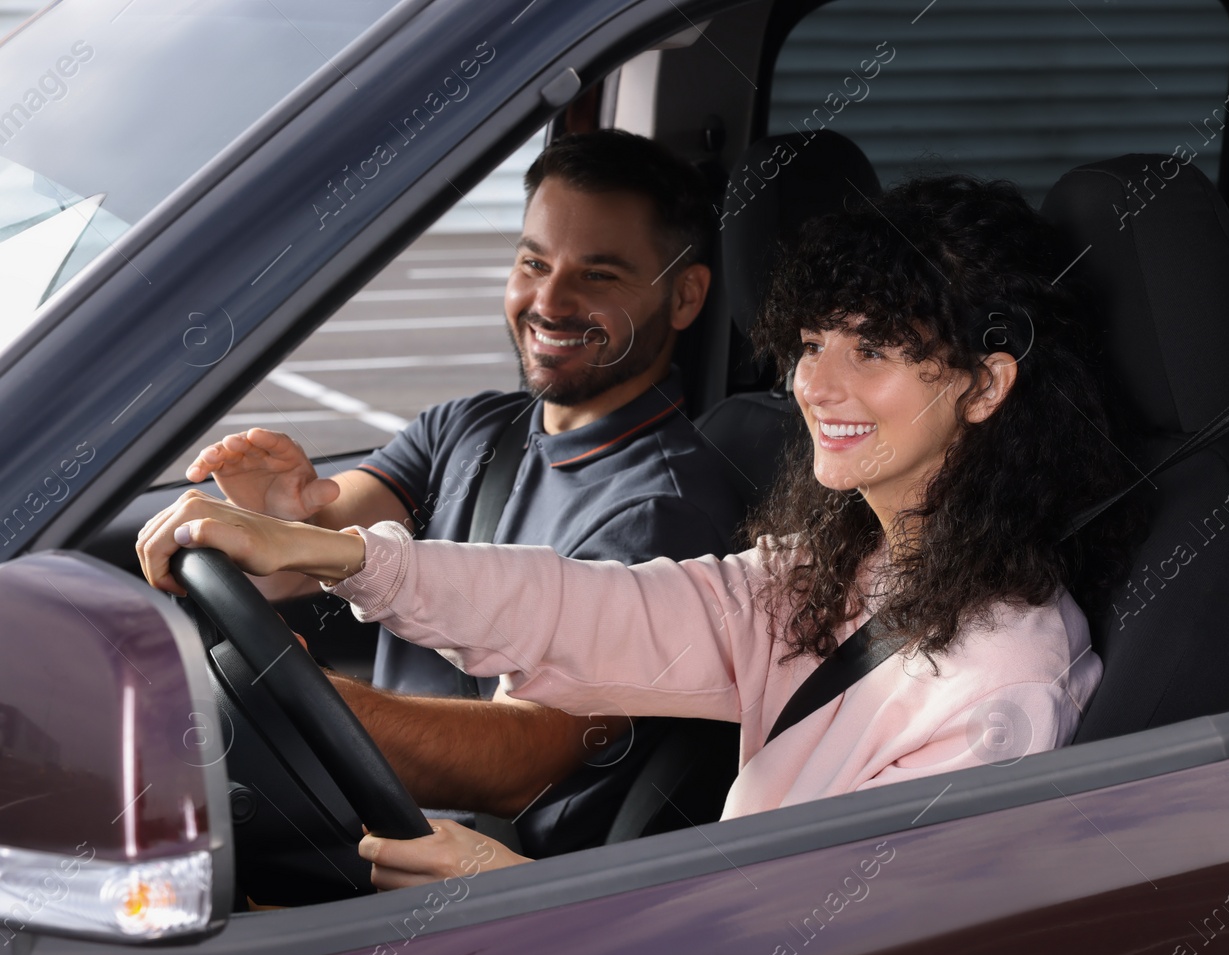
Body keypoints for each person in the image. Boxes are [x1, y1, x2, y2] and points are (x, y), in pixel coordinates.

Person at [139, 175, 1135, 889]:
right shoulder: (856, 567)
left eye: (868, 350)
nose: (811, 385)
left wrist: (513, 900)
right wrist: (334, 553)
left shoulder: (999, 689)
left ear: (988, 384)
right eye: (810, 343)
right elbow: (593, 606)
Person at [177, 130, 746, 857]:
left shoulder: (660, 511)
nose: (550, 301)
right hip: (370, 819)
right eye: (534, 262)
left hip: (469, 876)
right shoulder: (471, 426)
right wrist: (275, 515)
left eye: (598, 276)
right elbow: (308, 550)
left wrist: (299, 697)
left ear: (685, 294)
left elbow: (520, 764)